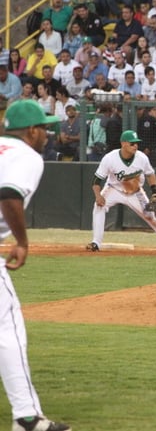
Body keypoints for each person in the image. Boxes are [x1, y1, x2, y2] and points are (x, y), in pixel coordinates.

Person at [0, 100, 72, 431]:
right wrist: (23, 242)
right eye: (44, 128)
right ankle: (27, 419)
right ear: (31, 131)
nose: (47, 134)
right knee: (7, 323)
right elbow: (9, 193)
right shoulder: (27, 155)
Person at [88, 130, 156, 253]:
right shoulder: (110, 158)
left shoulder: (141, 158)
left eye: (136, 143)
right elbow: (96, 180)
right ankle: (96, 243)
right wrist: (98, 195)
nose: (135, 146)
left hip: (136, 193)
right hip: (113, 189)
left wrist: (155, 192)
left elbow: (150, 174)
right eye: (132, 143)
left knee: (151, 216)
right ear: (123, 144)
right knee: (99, 206)